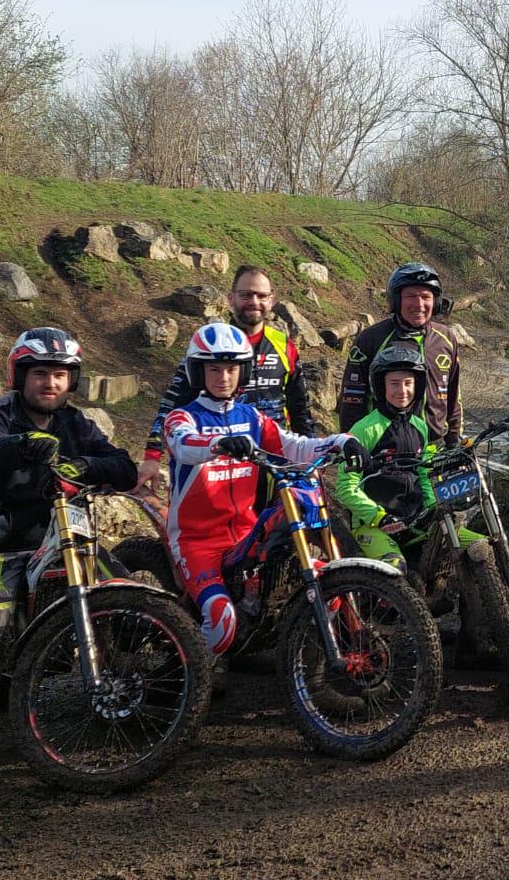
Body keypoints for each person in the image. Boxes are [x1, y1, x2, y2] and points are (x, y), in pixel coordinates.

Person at [0, 328, 138, 786]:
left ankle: (132, 692)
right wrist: (22, 447)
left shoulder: (77, 424)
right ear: (20, 375)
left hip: (63, 544)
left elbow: (125, 467)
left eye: (59, 375)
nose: (50, 383)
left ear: (71, 380)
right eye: (40, 374)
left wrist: (87, 466)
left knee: (131, 602)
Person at [162, 324, 366, 658]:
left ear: (242, 372)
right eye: (214, 368)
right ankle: (182, 673)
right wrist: (219, 444)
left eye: (231, 369)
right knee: (222, 620)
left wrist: (341, 441)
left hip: (244, 533)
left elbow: (294, 446)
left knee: (328, 584)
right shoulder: (182, 417)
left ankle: (307, 663)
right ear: (198, 371)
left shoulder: (251, 417)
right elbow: (184, 445)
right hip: (196, 541)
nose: (223, 377)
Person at [138, 264, 315, 494]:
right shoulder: (209, 344)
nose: (254, 301)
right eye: (246, 295)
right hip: (224, 463)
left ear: (272, 301)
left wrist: (308, 458)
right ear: (231, 299)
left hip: (277, 463)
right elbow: (172, 403)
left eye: (262, 296)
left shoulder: (284, 345)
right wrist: (152, 456)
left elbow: (300, 407)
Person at [336, 346, 470, 575]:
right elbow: (345, 487)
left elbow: (425, 474)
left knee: (477, 546)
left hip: (414, 519)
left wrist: (432, 508)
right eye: (394, 383)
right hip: (372, 525)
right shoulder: (363, 430)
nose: (403, 391)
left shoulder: (420, 427)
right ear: (381, 386)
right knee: (395, 567)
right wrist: (378, 516)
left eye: (408, 383)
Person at [339, 261, 463, 444]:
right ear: (396, 300)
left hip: (435, 451)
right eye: (410, 296)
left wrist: (455, 441)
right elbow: (351, 402)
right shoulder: (371, 339)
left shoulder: (446, 339)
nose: (419, 304)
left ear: (435, 301)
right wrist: (352, 446)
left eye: (425, 296)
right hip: (386, 450)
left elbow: (453, 397)